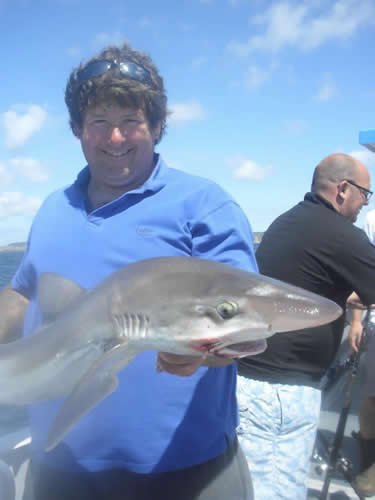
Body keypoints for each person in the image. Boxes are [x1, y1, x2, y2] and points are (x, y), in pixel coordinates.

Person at [0, 41, 257, 500]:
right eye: (99, 122)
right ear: (78, 129)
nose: (115, 138)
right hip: (60, 469)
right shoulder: (51, 209)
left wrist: (203, 352)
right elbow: (23, 298)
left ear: (157, 127)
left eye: (130, 122)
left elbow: (242, 317)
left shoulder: (204, 205)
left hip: (186, 469)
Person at [236, 153, 375, 500]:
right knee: (277, 490)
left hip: (250, 380)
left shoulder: (287, 222)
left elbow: (308, 283)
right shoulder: (341, 234)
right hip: (281, 393)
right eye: (365, 194)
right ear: (344, 189)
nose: (364, 204)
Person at [348, 208, 375, 497]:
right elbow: (362, 270)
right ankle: (370, 463)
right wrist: (356, 321)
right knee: (372, 398)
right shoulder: (372, 219)